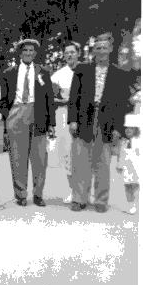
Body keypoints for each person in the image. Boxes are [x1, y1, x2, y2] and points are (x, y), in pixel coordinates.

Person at [68, 34, 128, 213]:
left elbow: (121, 103)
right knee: (81, 161)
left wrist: (118, 128)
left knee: (102, 162)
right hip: (84, 118)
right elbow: (73, 97)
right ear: (94, 50)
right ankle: (79, 199)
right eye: (98, 48)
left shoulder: (118, 74)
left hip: (106, 121)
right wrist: (72, 120)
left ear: (110, 49)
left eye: (104, 47)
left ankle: (101, 200)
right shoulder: (82, 69)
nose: (101, 51)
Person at [0, 38, 56, 207]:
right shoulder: (9, 72)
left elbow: (49, 99)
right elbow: (3, 99)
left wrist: (51, 123)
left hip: (37, 113)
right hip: (16, 113)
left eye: (31, 50)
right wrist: (7, 116)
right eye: (25, 50)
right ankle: (21, 194)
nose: (28, 53)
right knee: (17, 156)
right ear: (20, 53)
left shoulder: (43, 72)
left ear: (35, 53)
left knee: (39, 158)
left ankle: (38, 194)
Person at [50, 41, 81, 203]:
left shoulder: (86, 71)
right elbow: (51, 98)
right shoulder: (58, 75)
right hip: (64, 116)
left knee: (83, 153)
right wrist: (67, 99)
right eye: (67, 52)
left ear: (78, 53)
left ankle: (84, 191)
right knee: (67, 153)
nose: (69, 55)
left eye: (72, 52)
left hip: (83, 116)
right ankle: (72, 190)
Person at [116, 113, 140, 214]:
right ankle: (130, 204)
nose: (128, 130)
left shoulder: (139, 142)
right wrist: (119, 165)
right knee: (127, 187)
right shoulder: (124, 142)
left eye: (131, 128)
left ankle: (134, 204)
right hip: (127, 169)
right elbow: (121, 155)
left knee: (135, 186)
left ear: (136, 130)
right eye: (127, 128)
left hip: (137, 168)